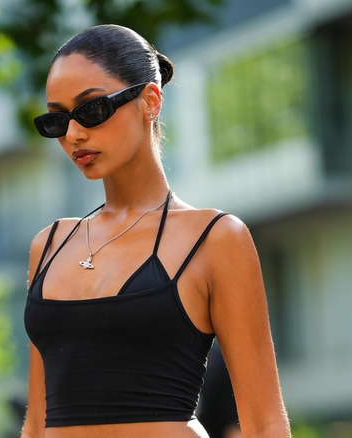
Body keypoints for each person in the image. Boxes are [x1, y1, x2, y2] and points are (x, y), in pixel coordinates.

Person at [22, 24, 290, 438]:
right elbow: (36, 424)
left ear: (150, 101)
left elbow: (265, 424)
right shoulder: (50, 245)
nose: (74, 134)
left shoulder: (216, 239)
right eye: (57, 120)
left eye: (91, 110)